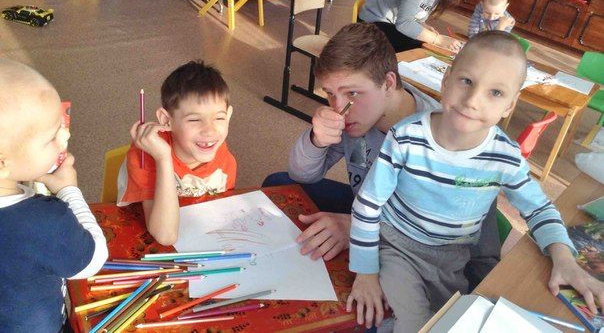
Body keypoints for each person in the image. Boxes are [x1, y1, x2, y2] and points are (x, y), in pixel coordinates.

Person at [346, 31, 604, 332]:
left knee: (452, 320)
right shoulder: (406, 137)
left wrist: (564, 259)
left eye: (495, 93)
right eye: (466, 81)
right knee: (415, 323)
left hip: (452, 258)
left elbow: (539, 209)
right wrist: (365, 271)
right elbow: (367, 205)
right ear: (446, 80)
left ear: (509, 106)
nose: (472, 101)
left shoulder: (504, 156)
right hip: (396, 245)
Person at [263, 23, 500, 284]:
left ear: (388, 83)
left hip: (436, 254)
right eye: (330, 94)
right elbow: (302, 175)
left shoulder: (446, 143)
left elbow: (442, 240)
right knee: (279, 184)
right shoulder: (357, 116)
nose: (339, 109)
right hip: (374, 209)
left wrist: (356, 227)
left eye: (353, 93)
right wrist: (316, 139)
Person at [0, 58, 108, 332]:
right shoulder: (45, 218)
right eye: (51, 137)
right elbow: (93, 259)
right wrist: (69, 190)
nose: (64, 137)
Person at [117, 61, 236, 245]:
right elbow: (165, 236)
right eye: (195, 119)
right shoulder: (144, 157)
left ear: (228, 116)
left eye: (219, 118)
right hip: (145, 239)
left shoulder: (223, 157)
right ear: (166, 120)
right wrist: (163, 158)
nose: (210, 131)